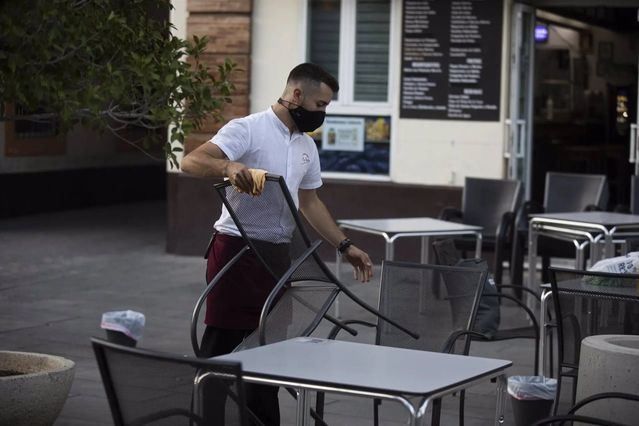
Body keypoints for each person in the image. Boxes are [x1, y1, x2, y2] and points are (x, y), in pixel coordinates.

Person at [181, 62, 373, 425]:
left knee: (269, 353)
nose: (322, 113)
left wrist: (346, 246)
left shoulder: (305, 147)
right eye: (320, 105)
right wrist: (229, 168)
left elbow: (310, 203)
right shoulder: (248, 129)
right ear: (296, 95)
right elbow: (191, 161)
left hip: (277, 256)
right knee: (221, 350)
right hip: (236, 251)